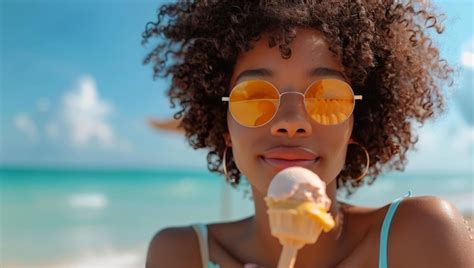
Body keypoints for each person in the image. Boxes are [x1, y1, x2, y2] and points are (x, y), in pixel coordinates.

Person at [142, 1, 473, 267]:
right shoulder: (180, 254)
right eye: (255, 96)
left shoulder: (422, 235)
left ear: (355, 123)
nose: (290, 122)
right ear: (225, 125)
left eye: (327, 96)